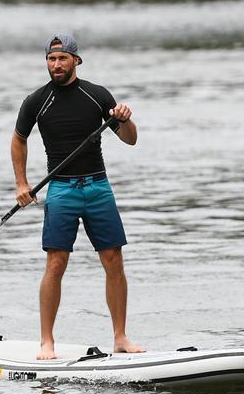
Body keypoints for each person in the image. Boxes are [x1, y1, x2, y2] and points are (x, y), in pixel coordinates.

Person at [11, 33, 144, 360]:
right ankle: (46, 341)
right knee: (56, 263)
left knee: (114, 260)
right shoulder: (35, 101)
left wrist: (124, 119)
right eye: (51, 59)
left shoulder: (96, 95)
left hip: (98, 187)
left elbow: (130, 140)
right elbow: (18, 140)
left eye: (63, 58)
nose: (56, 64)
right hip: (61, 190)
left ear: (76, 61)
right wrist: (21, 183)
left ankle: (120, 337)